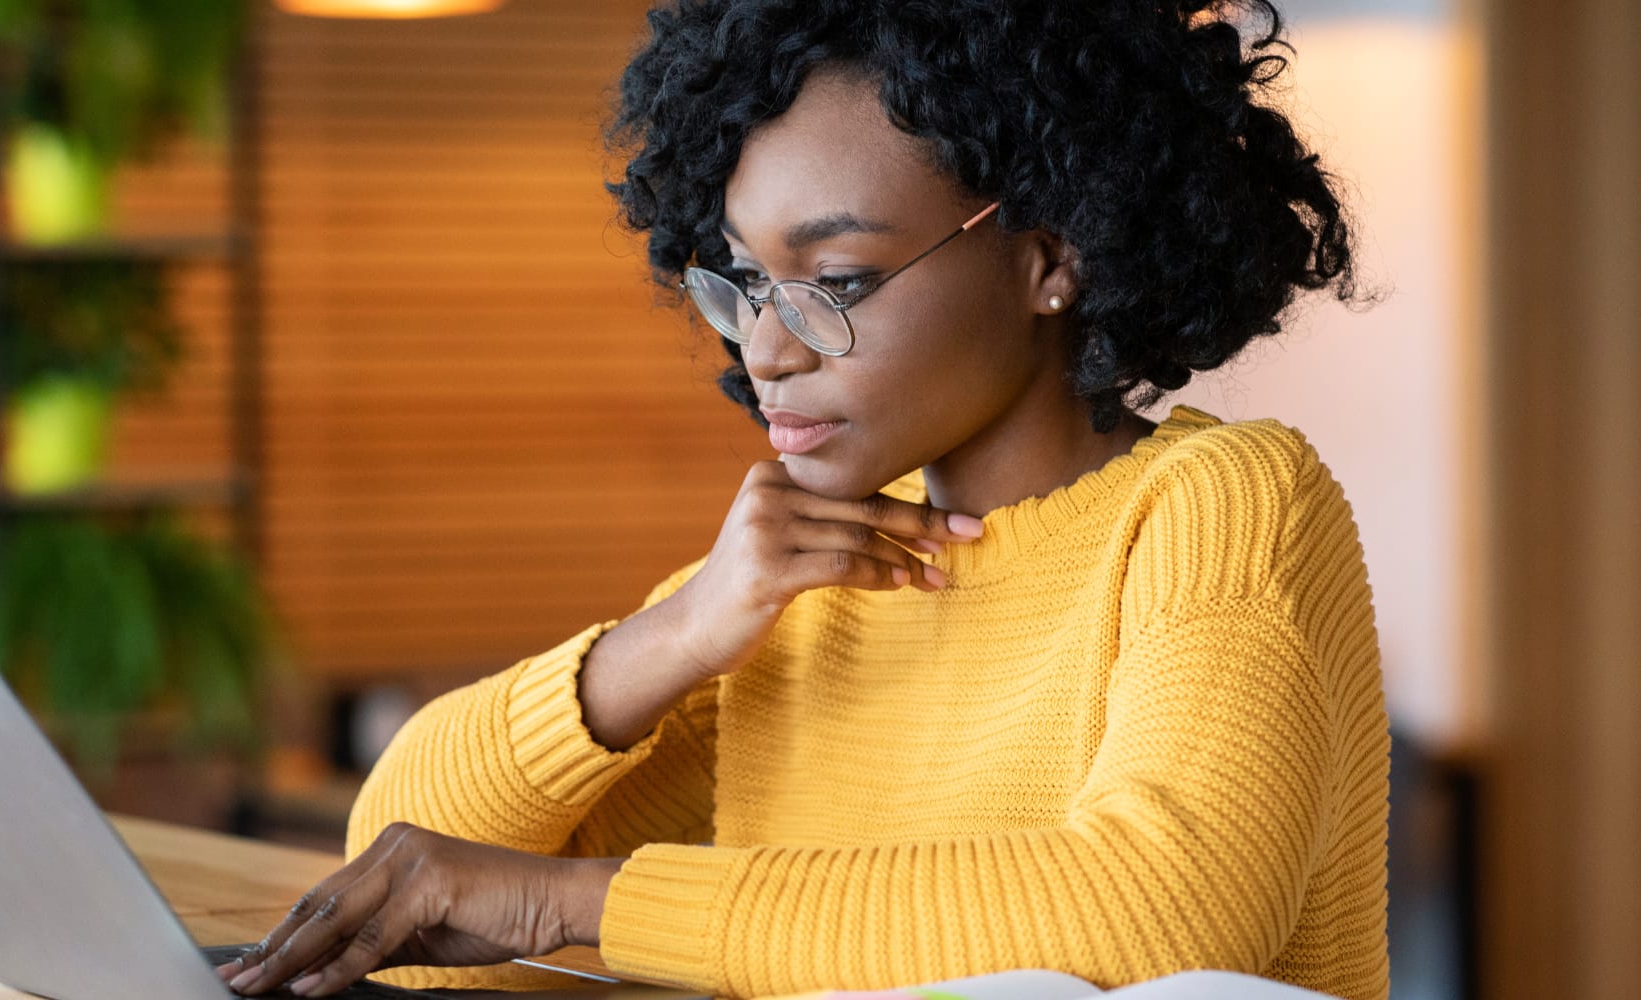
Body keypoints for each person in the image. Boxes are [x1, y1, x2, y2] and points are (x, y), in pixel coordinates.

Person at [217, 0, 1387, 997]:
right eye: (740, 278)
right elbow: (401, 885)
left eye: (832, 281)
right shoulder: (803, 579)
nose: (767, 347)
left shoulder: (1219, 503)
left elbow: (1165, 907)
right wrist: (667, 637)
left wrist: (572, 901)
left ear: (1049, 255)